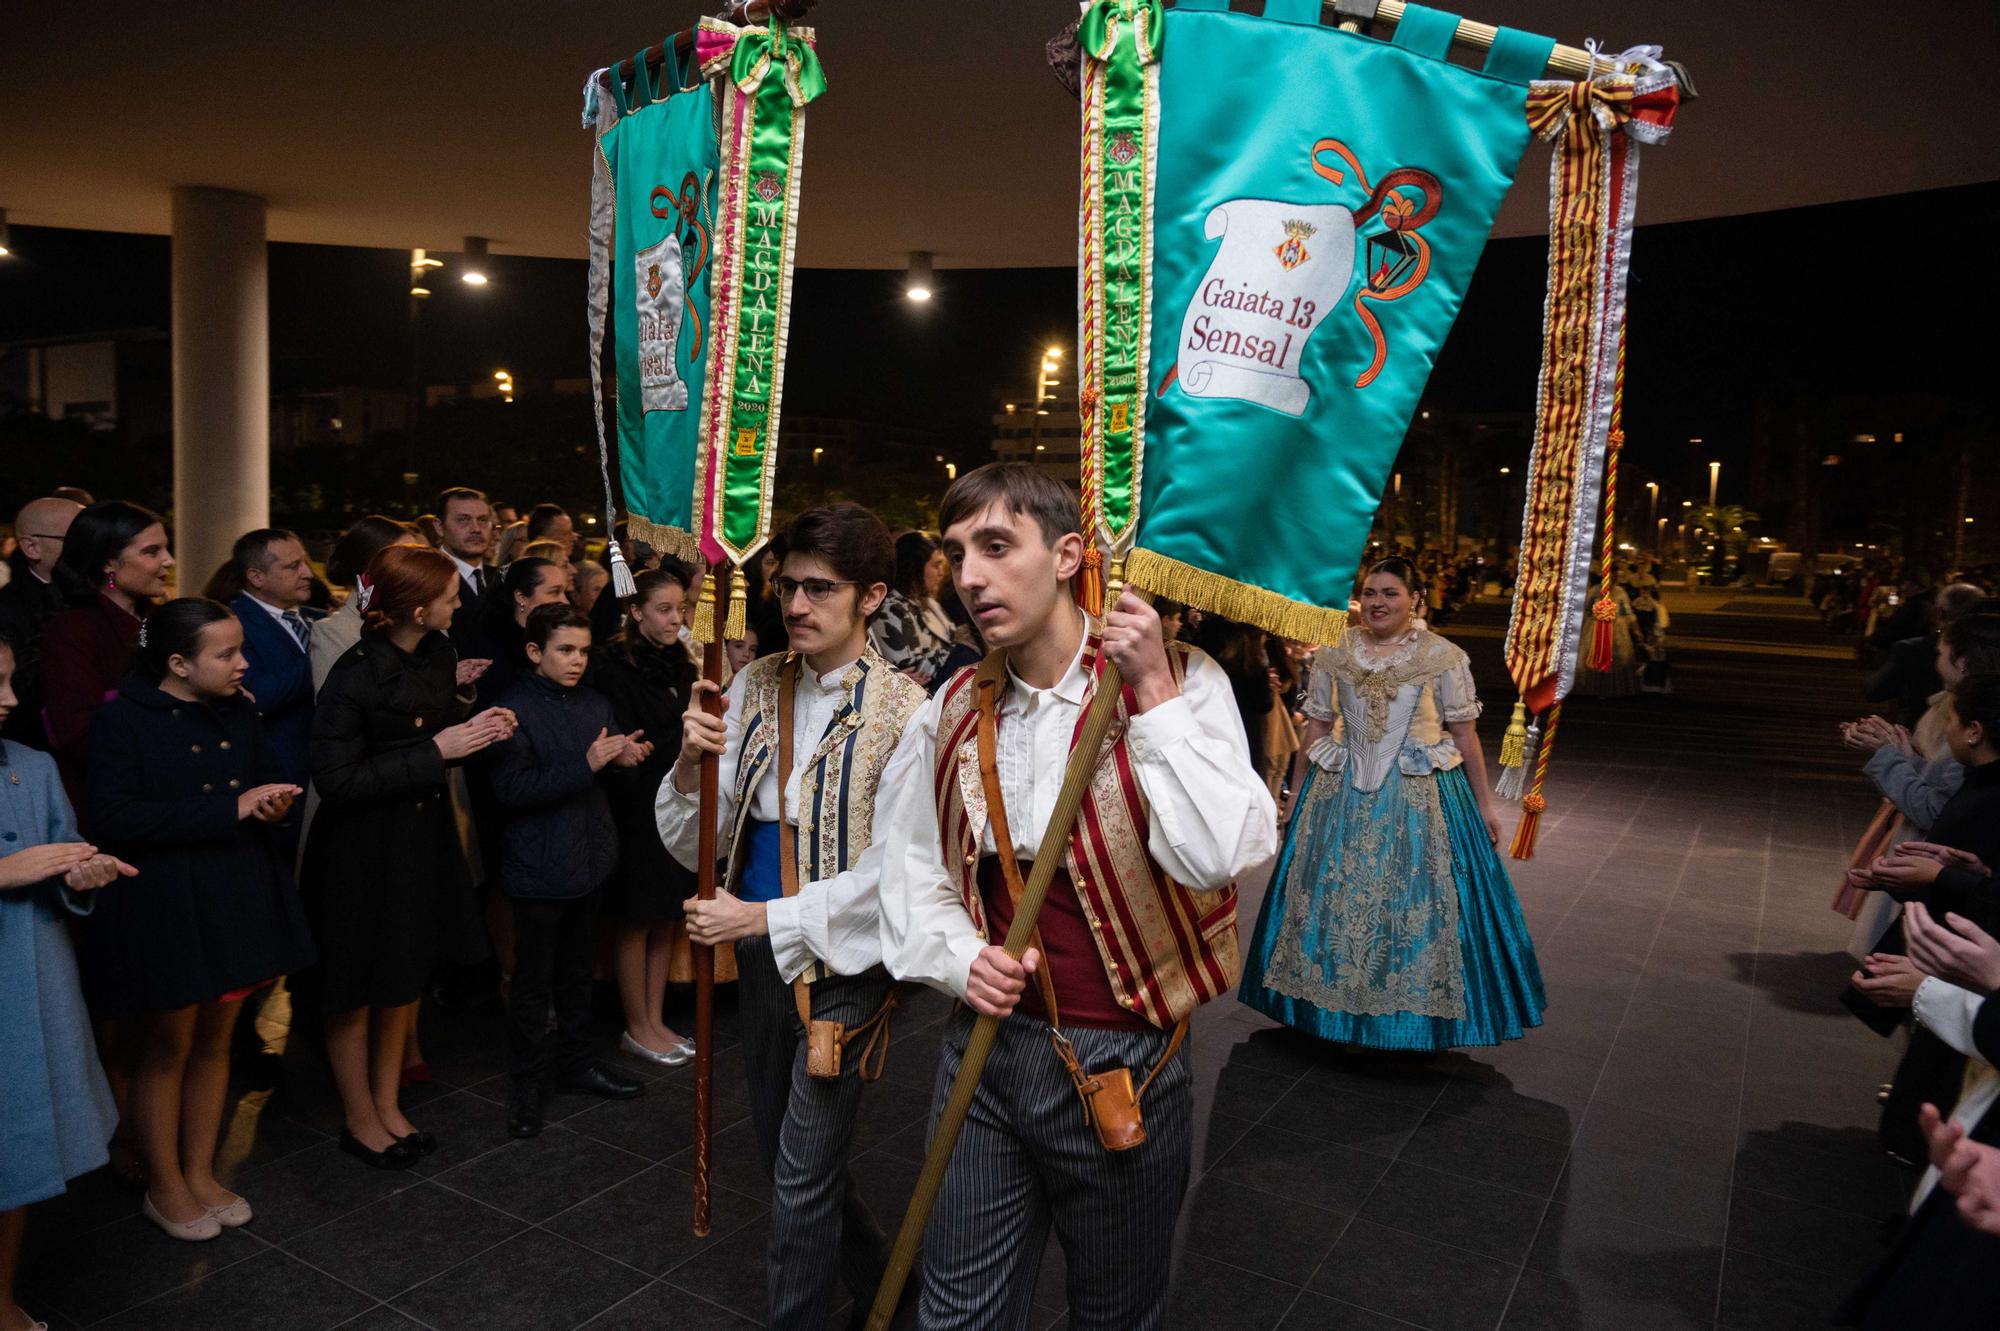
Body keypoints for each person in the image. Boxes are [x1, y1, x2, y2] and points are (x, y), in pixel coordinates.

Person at [853, 463, 1275, 1330]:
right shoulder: (950, 712)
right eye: (957, 552)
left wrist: (1153, 693)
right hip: (983, 1051)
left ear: (1070, 554)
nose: (970, 576)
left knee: (1115, 1313)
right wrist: (959, 955)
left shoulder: (1185, 682)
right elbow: (907, 870)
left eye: (998, 546)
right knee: (958, 1312)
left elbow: (1223, 853)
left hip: (1122, 1065)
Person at [658, 503, 929, 1331]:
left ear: (873, 595)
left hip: (844, 962)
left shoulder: (908, 710)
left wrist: (759, 919)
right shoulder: (751, 684)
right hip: (760, 952)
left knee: (802, 1176)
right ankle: (890, 1280)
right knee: (788, 1152)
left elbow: (897, 874)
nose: (797, 605)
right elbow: (689, 840)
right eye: (787, 586)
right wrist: (689, 764)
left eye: (821, 588)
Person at [1241, 556, 1546, 1052]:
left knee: (1414, 904)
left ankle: (1405, 1020)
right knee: (1328, 901)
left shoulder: (1443, 656)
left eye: (1391, 593)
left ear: (1415, 601)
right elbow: (1316, 727)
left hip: (1419, 795)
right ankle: (1324, 1013)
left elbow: (1464, 736)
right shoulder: (1334, 653)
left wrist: (1484, 806)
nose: (1378, 602)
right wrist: (1294, 796)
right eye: (1371, 592)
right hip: (1336, 795)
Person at [83, 599, 315, 1240]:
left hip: (236, 891)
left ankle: (201, 1169)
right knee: (168, 1047)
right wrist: (229, 811)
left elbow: (265, 778)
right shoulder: (123, 721)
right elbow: (113, 819)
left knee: (217, 1043)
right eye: (227, 654)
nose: (244, 664)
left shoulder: (239, 709)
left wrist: (271, 804)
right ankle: (165, 1183)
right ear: (178, 664)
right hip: (167, 903)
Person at [301, 545, 517, 1169]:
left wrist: (476, 720)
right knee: (354, 987)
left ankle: (388, 1102)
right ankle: (359, 1117)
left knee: (403, 977)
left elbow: (437, 723)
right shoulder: (355, 673)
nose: (460, 603)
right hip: (360, 850)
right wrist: (439, 750)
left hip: (420, 837)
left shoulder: (439, 653)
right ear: (419, 609)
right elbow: (335, 780)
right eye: (452, 596)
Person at [0, 634, 131, 1331]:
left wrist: (82, 875)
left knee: (14, 1160)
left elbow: (60, 864)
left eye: (9, 680)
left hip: (29, 992)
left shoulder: (31, 766)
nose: (11, 700)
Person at [489, 605, 650, 1136]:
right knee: (534, 982)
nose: (577, 660)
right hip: (538, 865)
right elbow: (510, 791)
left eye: (583, 650)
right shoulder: (512, 709)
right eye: (564, 650)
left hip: (589, 858)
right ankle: (528, 1086)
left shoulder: (595, 702)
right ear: (535, 652)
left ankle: (578, 1064)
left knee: (579, 971)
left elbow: (604, 776)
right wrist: (588, 764)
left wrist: (624, 759)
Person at [587, 567, 698, 1066]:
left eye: (681, 608)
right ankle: (636, 1024)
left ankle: (655, 1020)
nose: (676, 618)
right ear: (635, 612)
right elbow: (621, 741)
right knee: (636, 917)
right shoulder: (614, 669)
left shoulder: (680, 662)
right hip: (635, 806)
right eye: (664, 609)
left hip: (676, 801)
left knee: (665, 917)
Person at [39, 502, 175, 818]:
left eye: (165, 549)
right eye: (152, 551)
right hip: (118, 807)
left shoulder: (160, 621)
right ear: (109, 563)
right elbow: (78, 734)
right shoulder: (74, 630)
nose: (169, 561)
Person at [229, 529, 323, 861]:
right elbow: (258, 696)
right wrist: (323, 655)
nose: (308, 573)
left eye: (306, 563)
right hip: (278, 779)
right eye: (292, 566)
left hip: (322, 773)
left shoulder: (318, 620)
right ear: (256, 576)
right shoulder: (234, 624)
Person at [0, 496, 83, 749]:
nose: (92, 547)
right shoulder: (7, 609)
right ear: (32, 547)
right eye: (76, 538)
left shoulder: (107, 597)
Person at [312, 517, 426, 693]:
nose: (417, 567)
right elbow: (337, 713)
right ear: (368, 568)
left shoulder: (425, 617)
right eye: (404, 558)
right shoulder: (334, 632)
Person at [868, 530, 958, 687]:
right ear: (916, 567)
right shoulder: (890, 609)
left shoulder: (930, 603)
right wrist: (962, 647)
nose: (941, 572)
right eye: (936, 565)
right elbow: (916, 670)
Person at [436, 487, 501, 634]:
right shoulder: (426, 580)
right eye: (463, 520)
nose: (476, 529)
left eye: (483, 520)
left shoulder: (503, 579)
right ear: (439, 527)